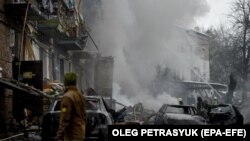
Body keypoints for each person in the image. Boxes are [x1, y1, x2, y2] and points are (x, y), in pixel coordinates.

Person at [57, 72, 86, 141]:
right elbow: (84, 115)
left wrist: (60, 134)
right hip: (80, 133)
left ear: (66, 82)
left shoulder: (67, 97)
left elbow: (65, 117)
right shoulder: (80, 95)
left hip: (72, 135)